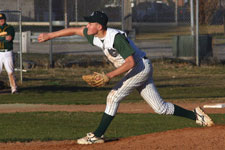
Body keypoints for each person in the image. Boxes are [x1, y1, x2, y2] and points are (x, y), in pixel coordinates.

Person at [38, 11, 214, 144]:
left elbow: (130, 62)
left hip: (139, 68)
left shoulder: (115, 38)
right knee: (160, 108)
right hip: (139, 68)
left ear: (99, 26)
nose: (87, 26)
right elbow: (75, 31)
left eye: (91, 23)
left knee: (113, 96)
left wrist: (109, 75)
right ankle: (197, 116)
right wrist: (49, 36)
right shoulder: (96, 36)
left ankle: (97, 135)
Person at [0, 13, 17, 94]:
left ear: (5, 19)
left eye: (2, 19)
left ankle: (13, 89)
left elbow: (9, 38)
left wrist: (1, 38)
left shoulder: (10, 28)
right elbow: (5, 37)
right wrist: (3, 37)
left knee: (10, 71)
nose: (1, 21)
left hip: (7, 52)